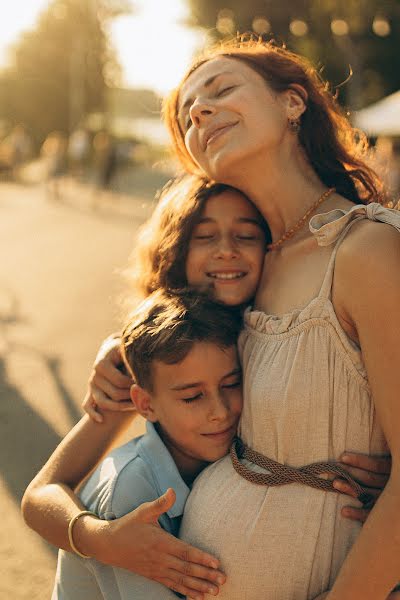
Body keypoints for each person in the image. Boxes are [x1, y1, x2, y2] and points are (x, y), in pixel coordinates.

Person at [22, 38, 399, 598]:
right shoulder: (245, 271)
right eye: (187, 114)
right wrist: (119, 343)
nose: (199, 110)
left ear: (293, 103)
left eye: (222, 90)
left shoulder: (365, 250)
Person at [22, 176, 269, 599]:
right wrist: (102, 540)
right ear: (176, 253)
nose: (227, 249)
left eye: (246, 234)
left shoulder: (281, 326)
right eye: (205, 237)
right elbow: (40, 495)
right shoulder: (147, 358)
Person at [52, 290, 243, 599]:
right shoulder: (132, 492)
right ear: (145, 403)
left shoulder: (218, 449)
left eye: (232, 384)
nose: (220, 412)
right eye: (192, 397)